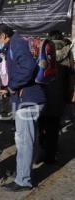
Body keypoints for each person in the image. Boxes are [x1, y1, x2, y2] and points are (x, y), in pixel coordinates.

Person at [0, 24, 46, 191]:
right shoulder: (13, 44)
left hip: (27, 100)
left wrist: (12, 87)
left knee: (24, 142)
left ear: (3, 36)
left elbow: (28, 67)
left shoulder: (17, 44)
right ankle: (25, 172)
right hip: (28, 98)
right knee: (29, 139)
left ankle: (23, 180)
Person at [38, 31, 75, 164]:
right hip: (59, 93)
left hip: (45, 92)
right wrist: (70, 92)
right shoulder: (68, 53)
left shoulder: (46, 50)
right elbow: (71, 74)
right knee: (53, 127)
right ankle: (50, 155)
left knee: (41, 124)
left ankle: (42, 150)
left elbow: (39, 71)